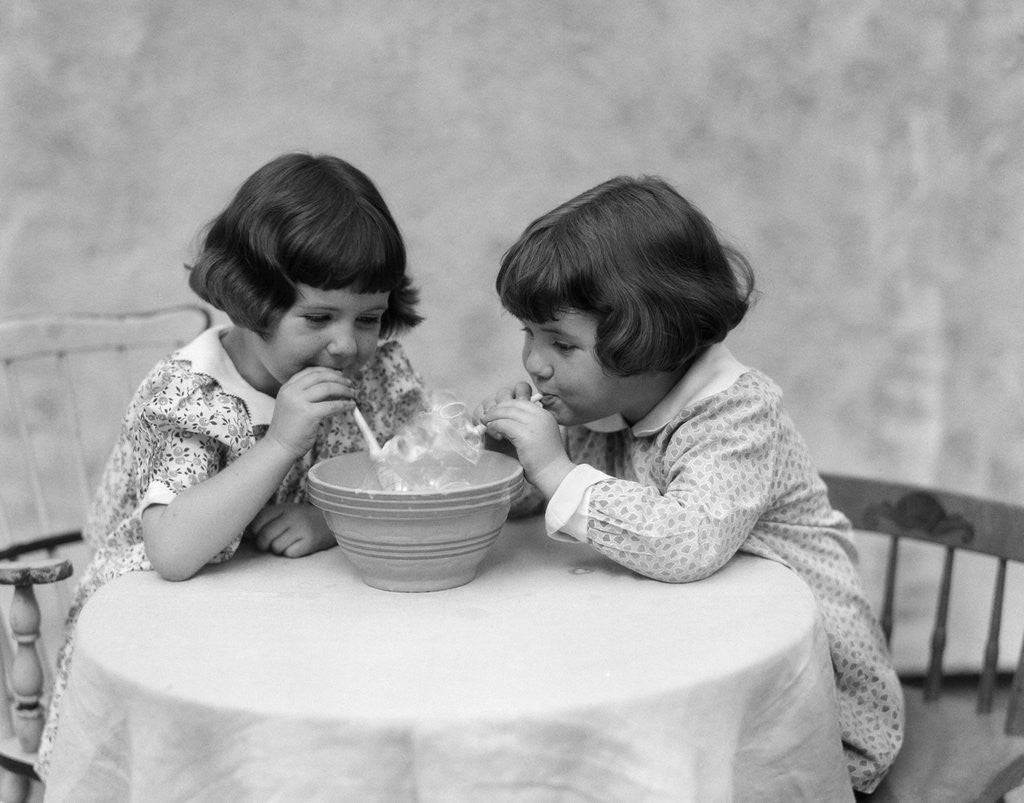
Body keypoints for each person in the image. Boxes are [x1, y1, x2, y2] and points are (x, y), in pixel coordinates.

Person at [475, 175, 903, 794]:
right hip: (681, 655)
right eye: (529, 335)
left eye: (561, 343)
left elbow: (685, 542)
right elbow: (551, 504)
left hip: (802, 703)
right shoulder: (607, 405)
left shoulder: (734, 415)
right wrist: (511, 460)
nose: (534, 363)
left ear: (646, 339)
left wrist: (555, 469)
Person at [37, 152, 427, 779]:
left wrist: (330, 518)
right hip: (170, 628)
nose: (347, 345)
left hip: (287, 621)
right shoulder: (194, 399)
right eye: (319, 317)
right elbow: (172, 551)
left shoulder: (372, 369)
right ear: (250, 302)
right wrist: (278, 445)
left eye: (370, 318)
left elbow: (414, 465)